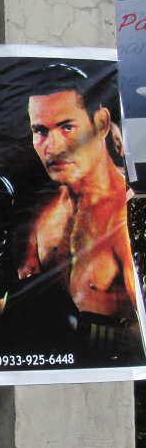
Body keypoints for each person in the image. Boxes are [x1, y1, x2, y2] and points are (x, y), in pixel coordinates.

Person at [12, 63, 139, 356]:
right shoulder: (42, 216)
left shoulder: (127, 216)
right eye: (40, 131)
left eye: (67, 127)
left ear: (102, 124)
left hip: (110, 381)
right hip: (49, 377)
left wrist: (87, 334)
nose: (53, 147)